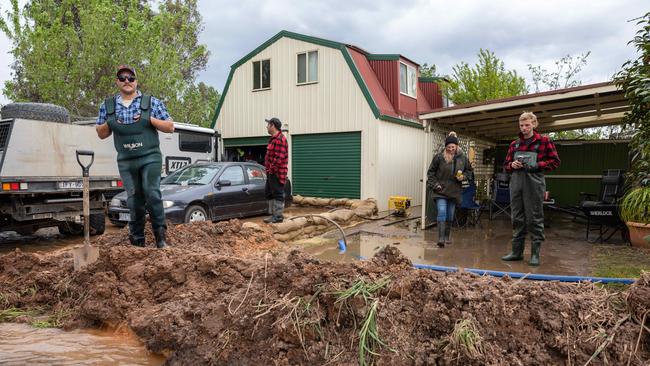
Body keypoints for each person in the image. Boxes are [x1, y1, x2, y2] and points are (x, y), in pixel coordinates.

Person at [96, 65, 175, 248]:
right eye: (122, 78)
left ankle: (160, 238)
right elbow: (101, 133)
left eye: (130, 78)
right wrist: (111, 122)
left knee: (152, 193)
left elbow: (170, 127)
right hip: (126, 160)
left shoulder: (151, 103)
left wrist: (149, 120)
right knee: (134, 199)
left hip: (150, 157)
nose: (126, 81)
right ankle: (138, 240)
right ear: (117, 82)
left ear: (136, 82)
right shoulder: (107, 106)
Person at [501, 111, 560, 266]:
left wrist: (537, 165)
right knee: (517, 217)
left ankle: (535, 254)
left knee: (534, 217)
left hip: (534, 182)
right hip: (516, 182)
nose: (524, 128)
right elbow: (506, 165)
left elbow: (555, 161)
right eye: (521, 125)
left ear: (534, 124)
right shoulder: (514, 144)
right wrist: (511, 165)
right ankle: (516, 252)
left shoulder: (544, 141)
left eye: (527, 125)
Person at [427, 132, 473, 247]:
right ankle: (441, 239)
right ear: (445, 147)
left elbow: (469, 171)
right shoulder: (439, 157)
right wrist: (435, 184)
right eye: (448, 147)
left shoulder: (463, 158)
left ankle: (447, 237)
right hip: (440, 190)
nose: (451, 149)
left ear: (457, 146)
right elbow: (430, 173)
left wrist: (463, 177)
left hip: (454, 192)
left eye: (453, 147)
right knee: (442, 212)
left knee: (450, 215)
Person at [263, 117, 288, 223]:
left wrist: (271, 170)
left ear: (272, 125)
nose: (266, 126)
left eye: (268, 124)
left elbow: (279, 158)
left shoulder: (280, 139)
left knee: (278, 193)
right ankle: (273, 215)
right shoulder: (273, 139)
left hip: (277, 172)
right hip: (271, 171)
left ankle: (278, 216)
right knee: (269, 192)